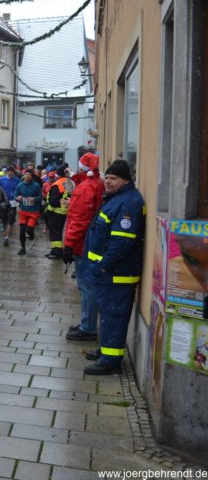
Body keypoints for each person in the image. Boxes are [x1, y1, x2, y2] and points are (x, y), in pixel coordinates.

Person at [81, 160, 145, 375]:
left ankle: (110, 361)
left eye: (113, 178)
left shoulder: (128, 202)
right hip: (110, 273)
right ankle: (106, 350)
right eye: (106, 177)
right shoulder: (118, 198)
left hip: (117, 274)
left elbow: (121, 242)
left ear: (125, 180)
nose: (107, 182)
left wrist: (102, 266)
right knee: (108, 315)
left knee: (114, 316)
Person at [64, 152, 104, 341]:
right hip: (91, 241)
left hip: (84, 244)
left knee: (86, 286)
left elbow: (79, 219)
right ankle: (87, 323)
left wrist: (68, 244)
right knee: (89, 286)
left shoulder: (86, 187)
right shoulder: (96, 183)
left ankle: (88, 327)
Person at [45, 166, 74, 259]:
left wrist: (48, 210)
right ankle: (56, 250)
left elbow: (53, 201)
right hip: (64, 211)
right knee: (59, 232)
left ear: (58, 174)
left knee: (54, 233)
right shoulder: (70, 182)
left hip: (55, 212)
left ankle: (56, 252)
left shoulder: (57, 184)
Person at [15, 169, 43, 256]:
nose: (27, 176)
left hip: (33, 211)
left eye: (29, 174)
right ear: (24, 175)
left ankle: (31, 233)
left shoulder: (36, 186)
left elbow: (40, 197)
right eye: (26, 174)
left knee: (29, 229)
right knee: (22, 231)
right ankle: (23, 248)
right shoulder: (20, 185)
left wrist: (34, 199)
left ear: (32, 176)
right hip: (23, 211)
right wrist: (17, 198)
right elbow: (16, 195)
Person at [0, 166, 20, 246]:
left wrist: (18, 198)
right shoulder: (2, 180)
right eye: (9, 171)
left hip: (13, 202)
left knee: (11, 218)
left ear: (14, 172)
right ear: (6, 172)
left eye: (12, 171)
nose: (10, 173)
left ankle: (6, 237)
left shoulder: (17, 180)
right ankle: (4, 225)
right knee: (3, 217)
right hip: (4, 202)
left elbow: (19, 189)